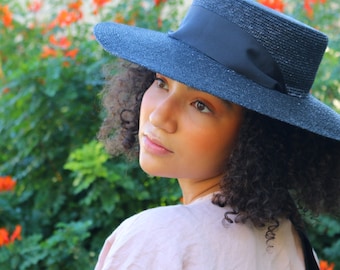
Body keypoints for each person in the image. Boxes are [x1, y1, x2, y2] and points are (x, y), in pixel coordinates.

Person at [93, 0, 340, 269]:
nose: (158, 117)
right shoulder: (296, 246)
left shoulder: (159, 239)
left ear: (256, 137)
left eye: (201, 105)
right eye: (162, 82)